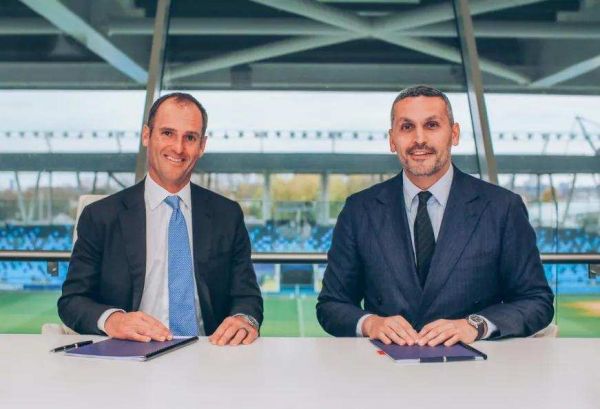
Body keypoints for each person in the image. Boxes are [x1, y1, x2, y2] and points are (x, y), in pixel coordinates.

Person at [317, 85, 554, 346]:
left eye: (431, 125)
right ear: (392, 140)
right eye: (407, 127)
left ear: (454, 133)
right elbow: (331, 304)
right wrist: (371, 323)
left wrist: (475, 325)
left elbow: (536, 301)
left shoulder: (502, 207)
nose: (419, 139)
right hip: (385, 364)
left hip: (475, 364)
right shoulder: (359, 210)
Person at [58, 92, 263, 346]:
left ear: (202, 146)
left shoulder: (227, 215)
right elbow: (72, 301)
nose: (178, 148)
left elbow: (247, 296)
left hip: (209, 352)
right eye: (167, 133)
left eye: (190, 138)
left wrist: (245, 319)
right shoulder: (100, 216)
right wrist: (114, 320)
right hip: (129, 355)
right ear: (147, 135)